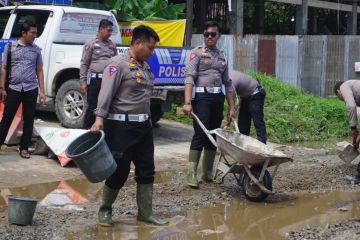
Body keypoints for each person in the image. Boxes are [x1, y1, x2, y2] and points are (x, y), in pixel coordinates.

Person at [90, 25, 168, 226]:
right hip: (121, 127)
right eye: (150, 48)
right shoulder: (117, 64)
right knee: (119, 171)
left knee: (146, 169)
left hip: (144, 126)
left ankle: (145, 212)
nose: (152, 52)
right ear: (138, 43)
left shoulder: (144, 67)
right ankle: (105, 209)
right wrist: (99, 119)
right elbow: (105, 94)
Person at [183, 21, 235, 188]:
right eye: (206, 34)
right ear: (203, 36)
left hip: (217, 99)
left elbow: (227, 83)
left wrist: (232, 108)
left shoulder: (222, 56)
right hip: (202, 98)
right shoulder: (196, 53)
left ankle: (207, 173)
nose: (209, 37)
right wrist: (187, 102)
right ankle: (191, 174)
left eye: (213, 34)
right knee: (200, 134)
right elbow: (189, 78)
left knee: (214, 134)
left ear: (218, 36)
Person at [0, 21, 45, 159]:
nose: (34, 36)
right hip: (13, 88)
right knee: (7, 118)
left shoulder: (36, 50)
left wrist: (42, 91)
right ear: (24, 33)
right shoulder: (10, 47)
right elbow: (4, 68)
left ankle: (24, 148)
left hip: (31, 89)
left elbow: (39, 70)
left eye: (36, 33)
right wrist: (2, 88)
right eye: (32, 33)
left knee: (29, 119)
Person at [80, 19, 117, 129]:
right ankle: (85, 132)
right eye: (108, 30)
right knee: (92, 107)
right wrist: (83, 82)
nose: (110, 33)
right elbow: (84, 63)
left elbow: (115, 63)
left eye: (111, 31)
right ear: (101, 29)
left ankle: (101, 132)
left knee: (106, 107)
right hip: (95, 80)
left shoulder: (112, 45)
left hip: (107, 81)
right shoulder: (90, 44)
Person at [230, 70, 267, 144]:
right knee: (243, 122)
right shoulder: (225, 75)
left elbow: (231, 99)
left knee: (257, 120)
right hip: (246, 96)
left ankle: (262, 145)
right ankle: (243, 144)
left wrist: (230, 113)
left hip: (256, 93)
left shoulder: (230, 80)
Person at [335, 80, 360, 182]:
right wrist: (356, 141)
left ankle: (359, 177)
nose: (342, 99)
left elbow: (351, 106)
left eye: (339, 98)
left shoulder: (343, 87)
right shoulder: (355, 87)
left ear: (338, 92)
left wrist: (353, 128)